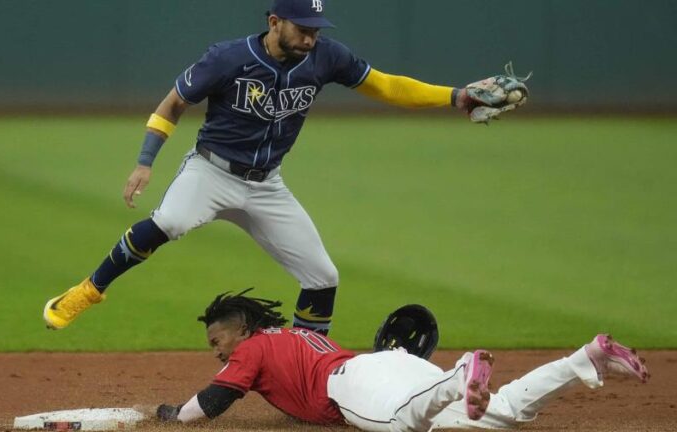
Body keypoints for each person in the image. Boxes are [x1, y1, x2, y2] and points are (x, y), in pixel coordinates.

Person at [42, 0, 517, 334]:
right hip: (211, 173)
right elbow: (171, 105)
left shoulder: (326, 56)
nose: (311, 37)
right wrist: (145, 163)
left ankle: (308, 363)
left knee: (322, 276)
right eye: (302, 28)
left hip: (267, 186)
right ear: (274, 22)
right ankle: (88, 289)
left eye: (316, 29)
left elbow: (387, 87)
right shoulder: (226, 58)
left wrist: (454, 96)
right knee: (169, 221)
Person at [150, 290, 649, 431]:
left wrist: (175, 414)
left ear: (241, 329)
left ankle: (460, 376)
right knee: (500, 416)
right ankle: (585, 359)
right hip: (393, 366)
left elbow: (214, 400)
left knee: (399, 424)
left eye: (218, 339)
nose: (216, 349)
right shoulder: (291, 337)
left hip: (356, 384)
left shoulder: (254, 347)